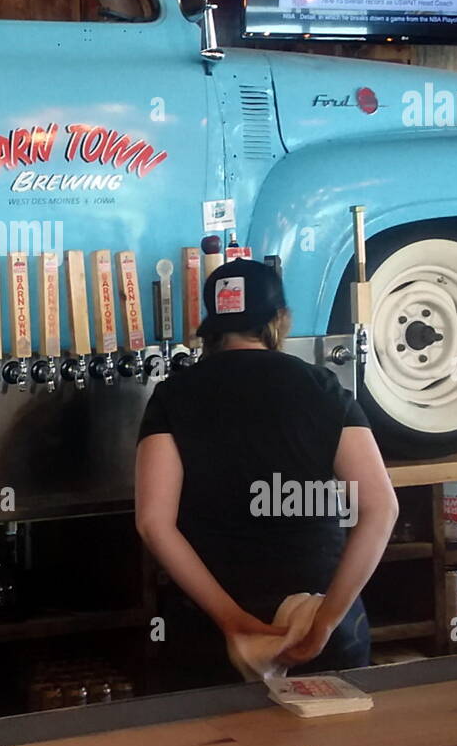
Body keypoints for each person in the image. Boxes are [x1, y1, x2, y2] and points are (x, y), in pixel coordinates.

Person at [135, 259, 398, 687]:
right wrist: (329, 618)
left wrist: (232, 621)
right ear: (280, 320)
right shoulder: (325, 389)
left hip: (212, 630)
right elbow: (381, 509)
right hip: (314, 617)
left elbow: (153, 524)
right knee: (332, 745)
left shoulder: (173, 396)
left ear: (213, 328)